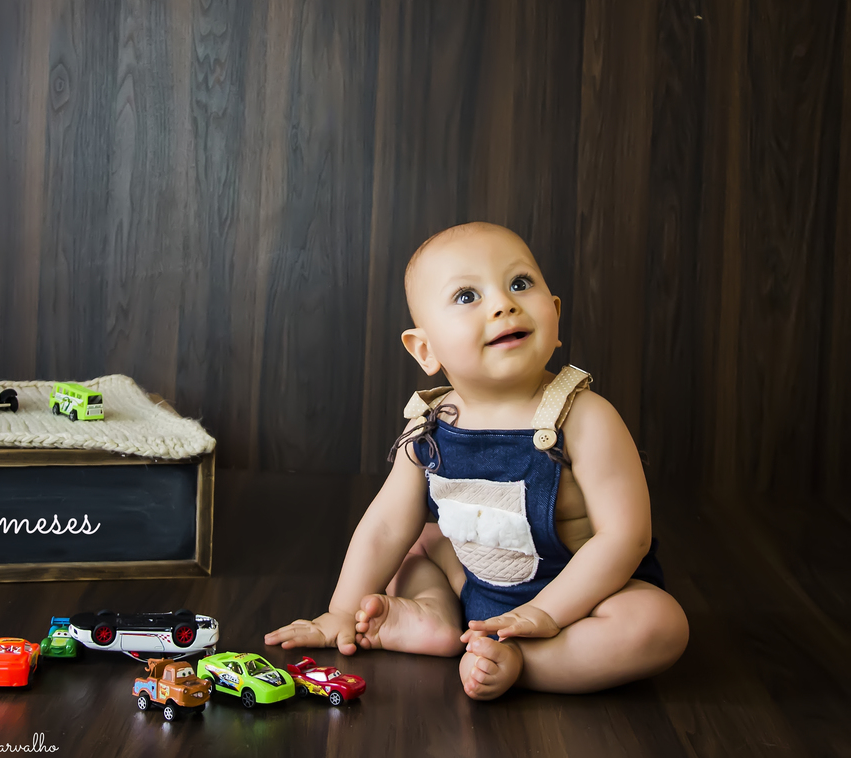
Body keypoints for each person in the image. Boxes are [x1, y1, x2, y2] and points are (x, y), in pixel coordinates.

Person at [264, 222, 689, 700]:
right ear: (425, 349)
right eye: (467, 296)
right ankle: (439, 616)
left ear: (554, 315)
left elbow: (626, 537)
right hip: (480, 583)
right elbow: (385, 525)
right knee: (416, 540)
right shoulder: (428, 423)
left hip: (584, 600)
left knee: (659, 624)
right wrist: (340, 612)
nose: (503, 303)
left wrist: (542, 614)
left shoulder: (585, 417)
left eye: (520, 284)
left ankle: (523, 659)